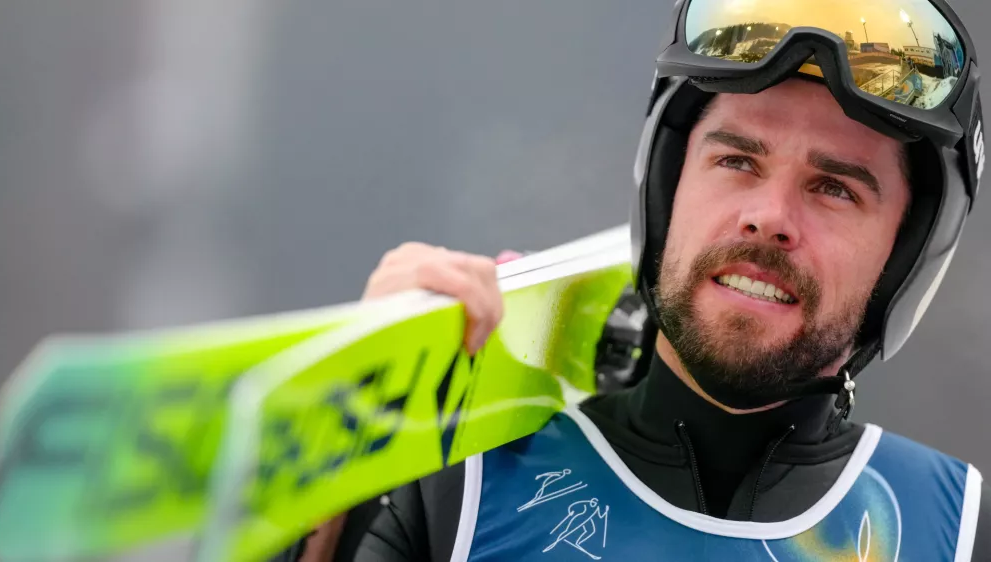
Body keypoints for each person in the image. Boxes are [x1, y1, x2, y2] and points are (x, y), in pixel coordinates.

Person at [280, 0, 991, 559]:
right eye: (736, 160)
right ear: (667, 190)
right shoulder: (457, 492)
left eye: (834, 188)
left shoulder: (956, 531)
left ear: (903, 255)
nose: (768, 218)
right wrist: (333, 463)